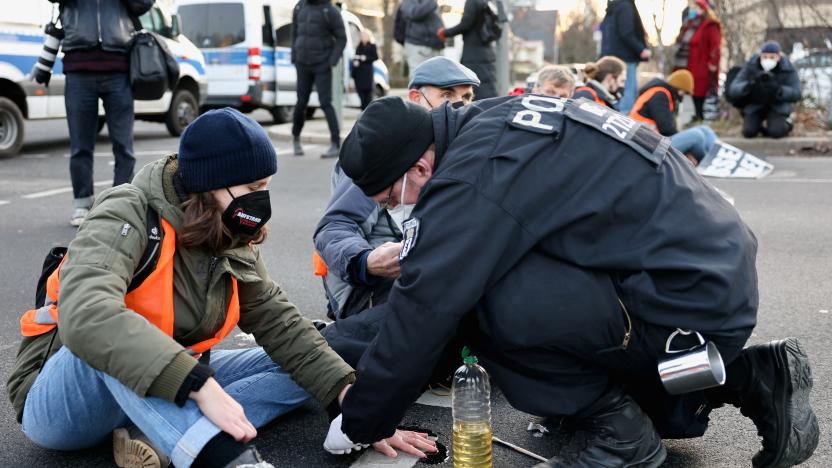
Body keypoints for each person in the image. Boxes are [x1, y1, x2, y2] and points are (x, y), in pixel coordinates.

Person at [322, 95, 818, 467]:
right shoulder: (494, 121)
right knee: (524, 299)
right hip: (700, 286)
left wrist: (363, 419)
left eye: (390, 198)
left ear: (420, 166)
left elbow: (424, 307)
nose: (395, 209)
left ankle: (622, 440)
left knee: (487, 303)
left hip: (681, 302)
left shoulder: (473, 177)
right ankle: (754, 377)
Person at [7, 109, 434, 468]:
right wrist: (199, 385)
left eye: (265, 188)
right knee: (113, 333)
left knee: (312, 363)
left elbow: (280, 324)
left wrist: (355, 408)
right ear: (210, 184)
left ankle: (160, 431)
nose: (261, 202)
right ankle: (224, 455)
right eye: (253, 189)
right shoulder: (127, 210)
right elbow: (86, 316)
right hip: (61, 402)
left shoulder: (226, 226)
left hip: (164, 373)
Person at [314, 57, 478, 368]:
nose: (457, 106)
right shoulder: (381, 154)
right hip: (373, 289)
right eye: (447, 95)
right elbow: (333, 227)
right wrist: (365, 261)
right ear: (416, 97)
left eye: (466, 98)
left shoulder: (453, 154)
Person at [48, 0, 155, 227]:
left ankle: (119, 205)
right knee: (80, 146)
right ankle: (82, 204)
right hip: (78, 70)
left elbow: (144, 4)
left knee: (124, 147)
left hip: (120, 70)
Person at [291, 0, 347, 158]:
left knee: (325, 103)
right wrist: (294, 57)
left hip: (322, 64)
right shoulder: (299, 6)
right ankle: (296, 138)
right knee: (301, 102)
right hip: (302, 63)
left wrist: (332, 62)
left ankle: (335, 143)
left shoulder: (330, 11)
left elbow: (342, 38)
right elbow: (294, 32)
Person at [630, 69, 716, 165]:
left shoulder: (661, 93)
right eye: (684, 92)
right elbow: (666, 129)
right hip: (649, 147)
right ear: (679, 88)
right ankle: (709, 164)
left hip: (654, 142)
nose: (682, 96)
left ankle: (717, 157)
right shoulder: (660, 95)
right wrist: (687, 147)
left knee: (705, 130)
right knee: (697, 136)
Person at [728, 41, 801, 139]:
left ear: (778, 57)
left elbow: (796, 93)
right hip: (756, 105)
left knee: (776, 132)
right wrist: (749, 85)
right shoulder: (751, 66)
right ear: (760, 56)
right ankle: (761, 127)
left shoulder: (787, 68)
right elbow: (734, 89)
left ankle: (787, 124)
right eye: (765, 57)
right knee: (748, 132)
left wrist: (779, 90)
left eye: (772, 57)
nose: (768, 60)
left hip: (777, 106)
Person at [438, 0, 499, 99]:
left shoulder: (472, 1)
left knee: (476, 87)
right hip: (486, 50)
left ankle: (481, 113)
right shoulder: (488, 1)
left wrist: (445, 33)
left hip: (474, 53)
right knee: (487, 87)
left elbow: (466, 24)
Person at [673, 0, 722, 122]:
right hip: (690, 65)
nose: (692, 9)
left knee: (701, 91)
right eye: (691, 7)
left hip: (702, 66)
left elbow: (716, 45)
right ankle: (697, 116)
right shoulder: (689, 25)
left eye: (695, 7)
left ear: (702, 8)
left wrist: (713, 63)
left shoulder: (710, 25)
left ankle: (702, 116)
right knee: (691, 91)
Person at [600, 0, 651, 113]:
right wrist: (641, 49)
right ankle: (624, 120)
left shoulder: (612, 8)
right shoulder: (625, 6)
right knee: (629, 91)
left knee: (616, 91)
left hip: (611, 56)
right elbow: (626, 32)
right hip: (626, 57)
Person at [399, 0, 444, 75]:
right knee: (419, 77)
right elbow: (415, 13)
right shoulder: (409, 2)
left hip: (434, 46)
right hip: (419, 46)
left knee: (436, 78)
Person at [352, 30, 378, 110]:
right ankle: (363, 110)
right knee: (361, 94)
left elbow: (375, 57)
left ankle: (368, 110)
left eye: (364, 36)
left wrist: (366, 58)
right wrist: (356, 62)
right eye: (362, 36)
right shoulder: (359, 46)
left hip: (367, 73)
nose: (363, 37)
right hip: (359, 74)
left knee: (368, 94)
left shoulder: (372, 46)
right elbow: (356, 57)